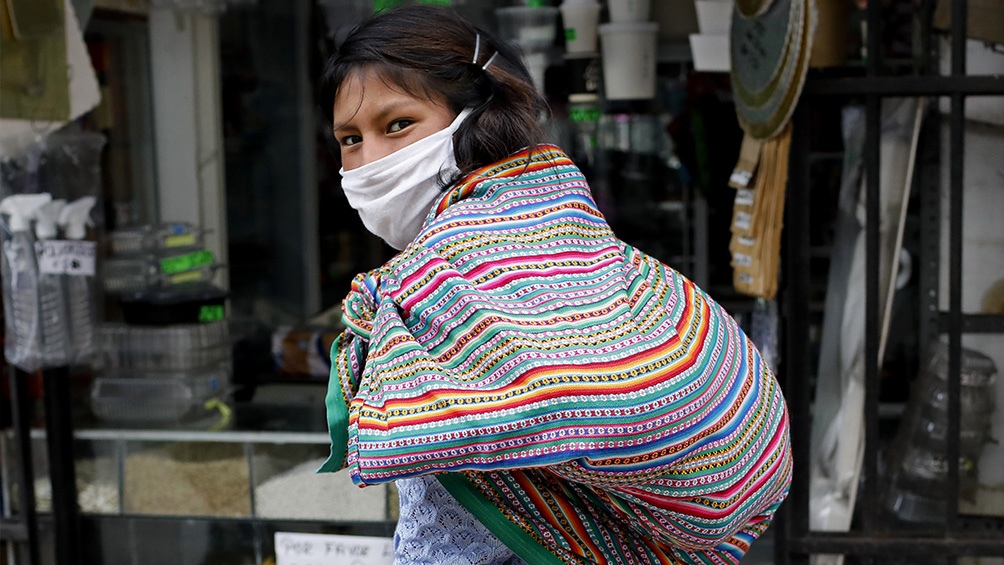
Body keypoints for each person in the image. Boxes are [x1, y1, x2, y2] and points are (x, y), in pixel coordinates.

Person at [317, 5, 793, 564]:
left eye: (398, 125)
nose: (370, 159)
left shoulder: (443, 284)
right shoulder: (555, 232)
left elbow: (443, 538)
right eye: (350, 139)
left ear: (472, 117)